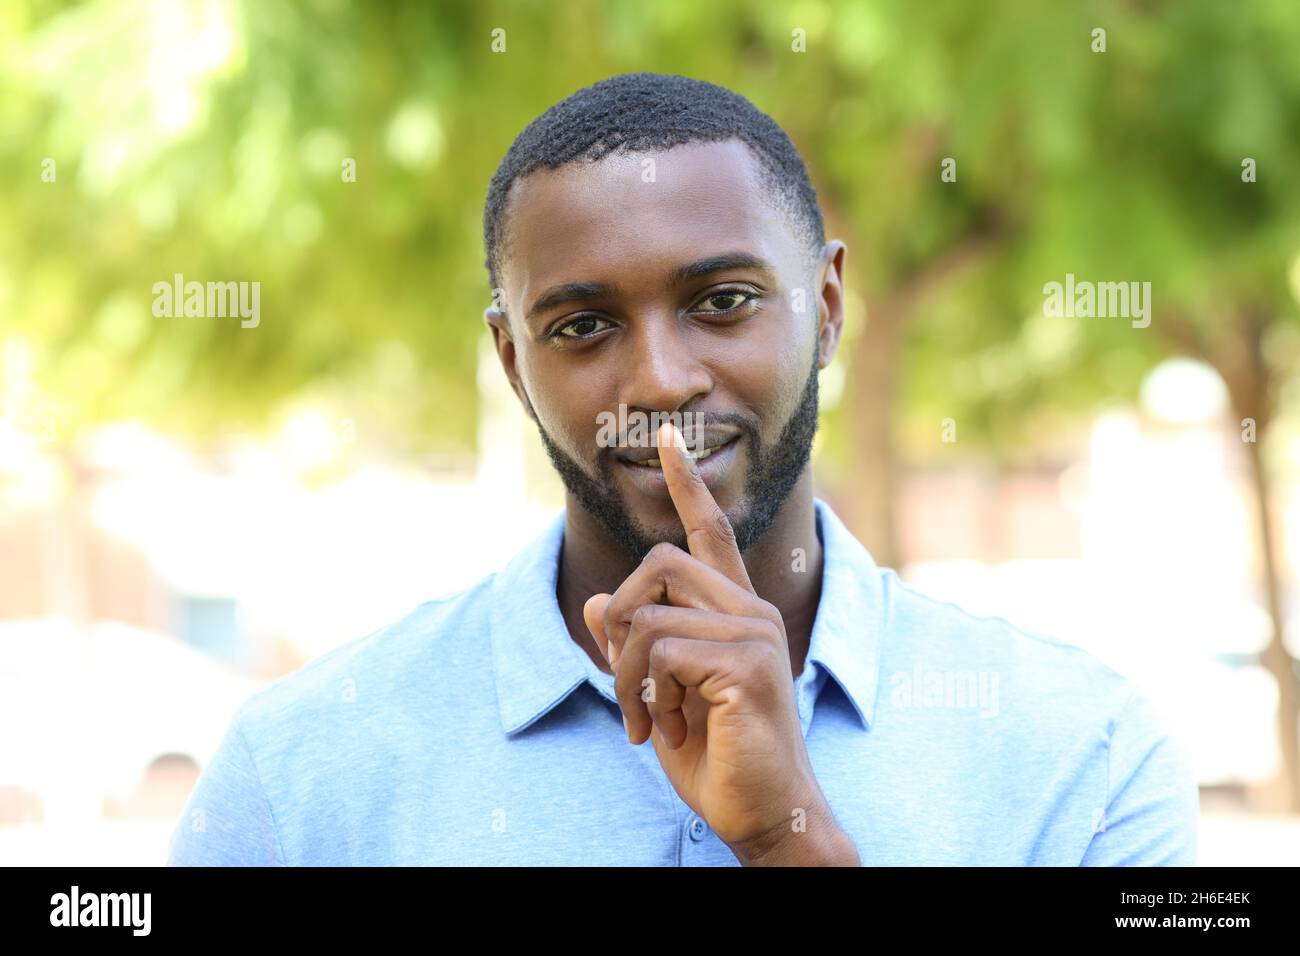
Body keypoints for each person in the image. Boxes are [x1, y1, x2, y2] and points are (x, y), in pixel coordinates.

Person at [167, 72, 1198, 866]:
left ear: (827, 307)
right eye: (582, 324)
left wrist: (791, 843)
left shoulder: (1085, 755)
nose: (661, 380)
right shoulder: (301, 772)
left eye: (723, 302)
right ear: (512, 363)